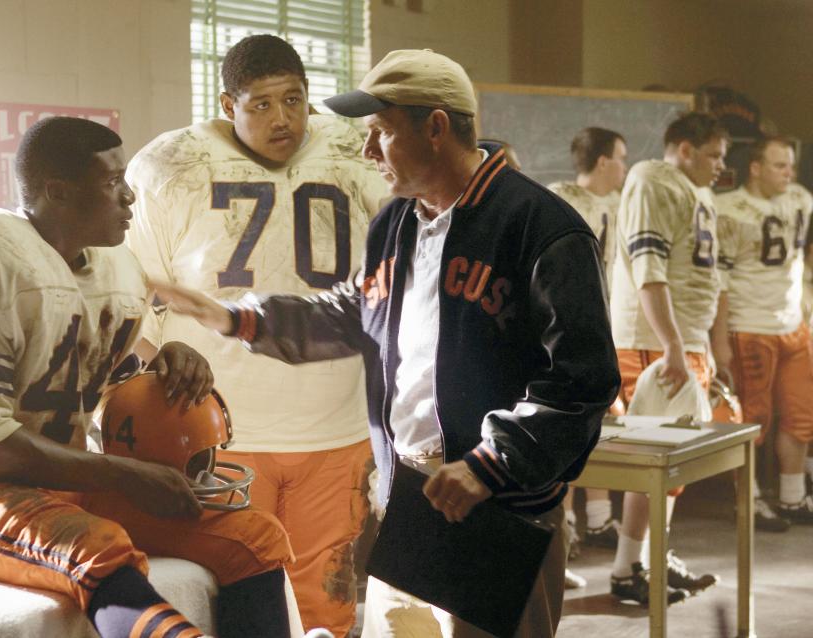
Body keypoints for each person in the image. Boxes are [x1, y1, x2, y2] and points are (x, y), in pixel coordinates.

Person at [157, 49, 620, 638]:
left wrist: (490, 463)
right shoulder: (396, 222)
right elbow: (357, 312)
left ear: (435, 128)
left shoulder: (542, 227)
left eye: (381, 133)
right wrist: (239, 319)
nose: (368, 151)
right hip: (408, 492)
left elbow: (582, 381)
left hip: (497, 505)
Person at [0, 116, 302, 638]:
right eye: (111, 183)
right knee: (96, 545)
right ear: (57, 191)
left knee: (251, 538)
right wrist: (123, 474)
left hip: (59, 474)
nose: (129, 198)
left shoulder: (116, 269)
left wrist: (165, 361)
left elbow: (93, 389)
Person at [125, 34, 387, 637]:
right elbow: (135, 295)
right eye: (262, 104)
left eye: (293, 100)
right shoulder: (170, 165)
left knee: (328, 604)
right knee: (237, 603)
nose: (282, 118)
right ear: (227, 105)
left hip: (335, 425)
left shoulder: (356, 150)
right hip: (220, 429)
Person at [608, 111, 728, 605]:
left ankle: (650, 558)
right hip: (653, 342)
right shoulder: (653, 180)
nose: (721, 165)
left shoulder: (696, 189)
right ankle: (626, 569)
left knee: (670, 469)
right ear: (683, 148)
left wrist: (696, 344)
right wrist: (675, 344)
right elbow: (648, 266)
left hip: (680, 341)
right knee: (651, 464)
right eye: (714, 155)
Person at [712, 136, 813, 531]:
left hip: (792, 324)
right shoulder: (729, 209)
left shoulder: (801, 199)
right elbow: (719, 278)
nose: (789, 173)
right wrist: (720, 338)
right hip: (749, 324)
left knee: (801, 417)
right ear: (755, 168)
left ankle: (792, 495)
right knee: (753, 420)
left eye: (790, 165)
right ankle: (748, 499)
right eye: (779, 166)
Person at [548, 127, 628, 589]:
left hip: (601, 326)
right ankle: (566, 530)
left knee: (598, 427)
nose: (623, 167)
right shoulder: (559, 197)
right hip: (561, 331)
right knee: (565, 431)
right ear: (601, 162)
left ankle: (597, 520)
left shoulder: (618, 205)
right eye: (619, 158)